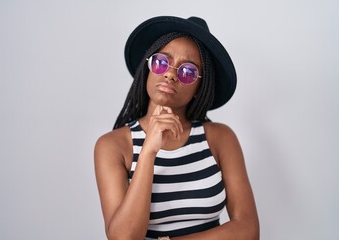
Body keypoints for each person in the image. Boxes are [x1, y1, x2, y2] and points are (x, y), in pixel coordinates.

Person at [94, 16, 259, 240]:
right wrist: (148, 153)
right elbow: (123, 238)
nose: (170, 74)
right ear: (149, 68)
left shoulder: (220, 138)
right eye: (162, 62)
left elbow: (248, 230)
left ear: (200, 88)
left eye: (188, 71)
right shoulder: (113, 146)